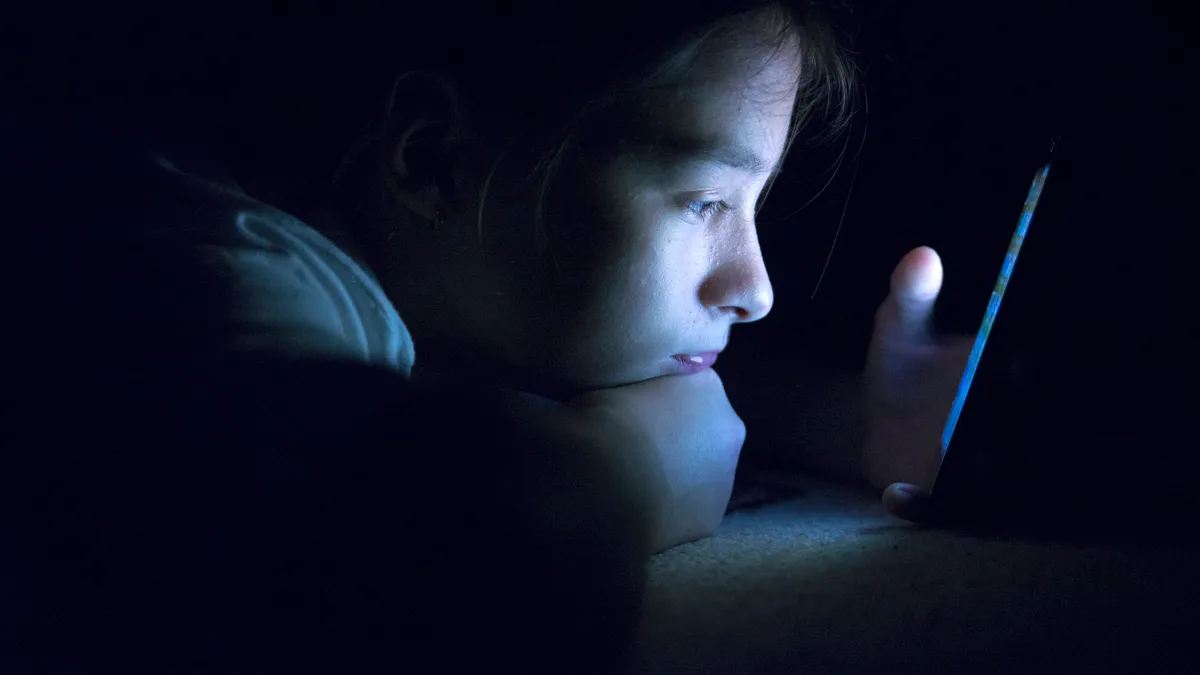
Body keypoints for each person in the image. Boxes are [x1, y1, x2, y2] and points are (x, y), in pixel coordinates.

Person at [16, 1, 975, 672]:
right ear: (432, 158)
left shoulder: (413, 277)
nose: (756, 288)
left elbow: (516, 379)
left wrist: (849, 420)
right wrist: (624, 470)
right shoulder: (220, 271)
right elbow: (454, 561)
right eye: (705, 201)